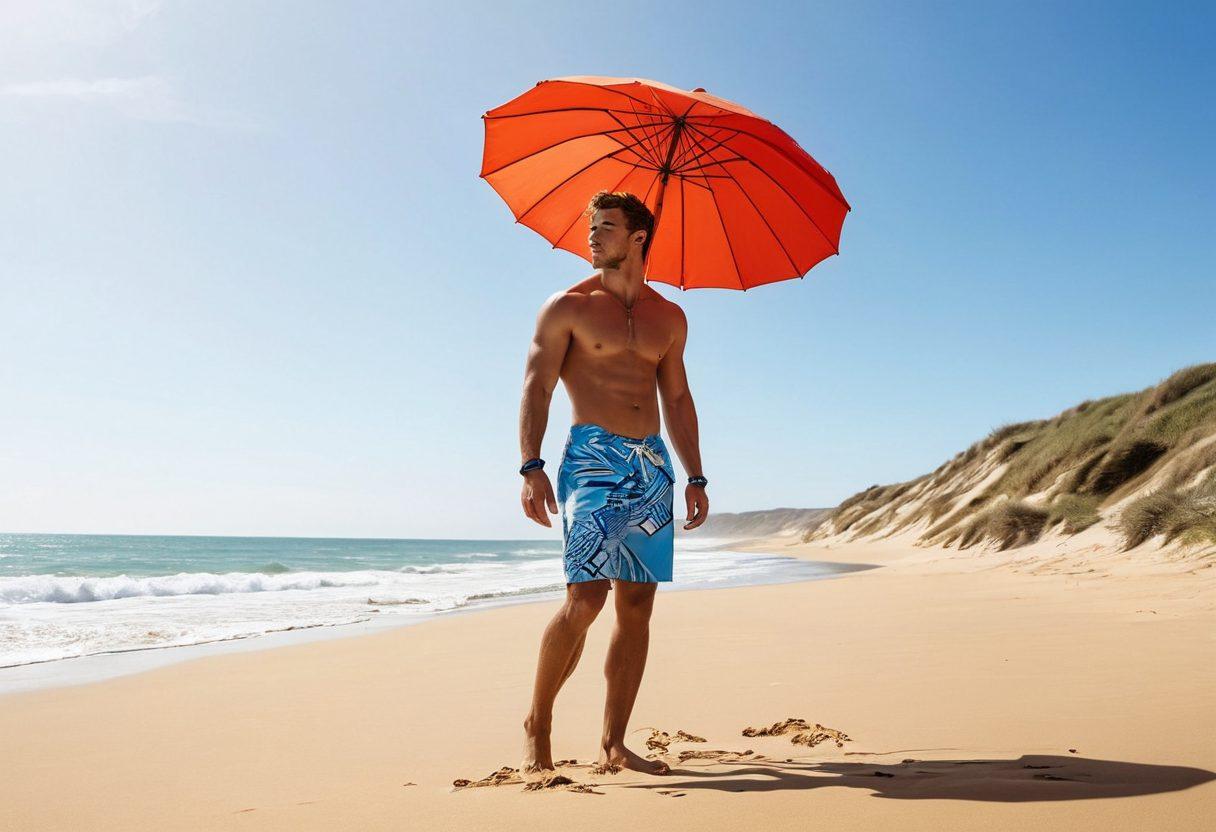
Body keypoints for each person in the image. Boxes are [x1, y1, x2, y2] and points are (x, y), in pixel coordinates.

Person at [517, 190, 709, 776]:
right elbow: (537, 386)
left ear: (638, 238)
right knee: (586, 598)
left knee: (637, 604)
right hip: (592, 459)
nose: (593, 237)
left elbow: (676, 397)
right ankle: (538, 722)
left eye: (606, 227)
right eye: (592, 228)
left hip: (651, 463)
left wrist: (696, 474)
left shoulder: (669, 317)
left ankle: (613, 742)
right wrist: (532, 465)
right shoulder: (568, 306)